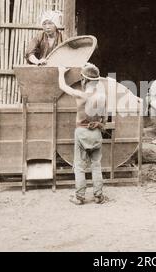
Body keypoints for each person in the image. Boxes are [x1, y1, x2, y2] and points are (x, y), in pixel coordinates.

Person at [58, 63, 107, 205]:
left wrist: (61, 72)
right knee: (96, 165)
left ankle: (79, 197)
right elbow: (104, 120)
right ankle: (98, 196)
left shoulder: (80, 95)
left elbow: (63, 86)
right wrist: (98, 124)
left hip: (82, 133)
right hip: (96, 133)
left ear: (84, 80)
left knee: (79, 166)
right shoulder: (102, 97)